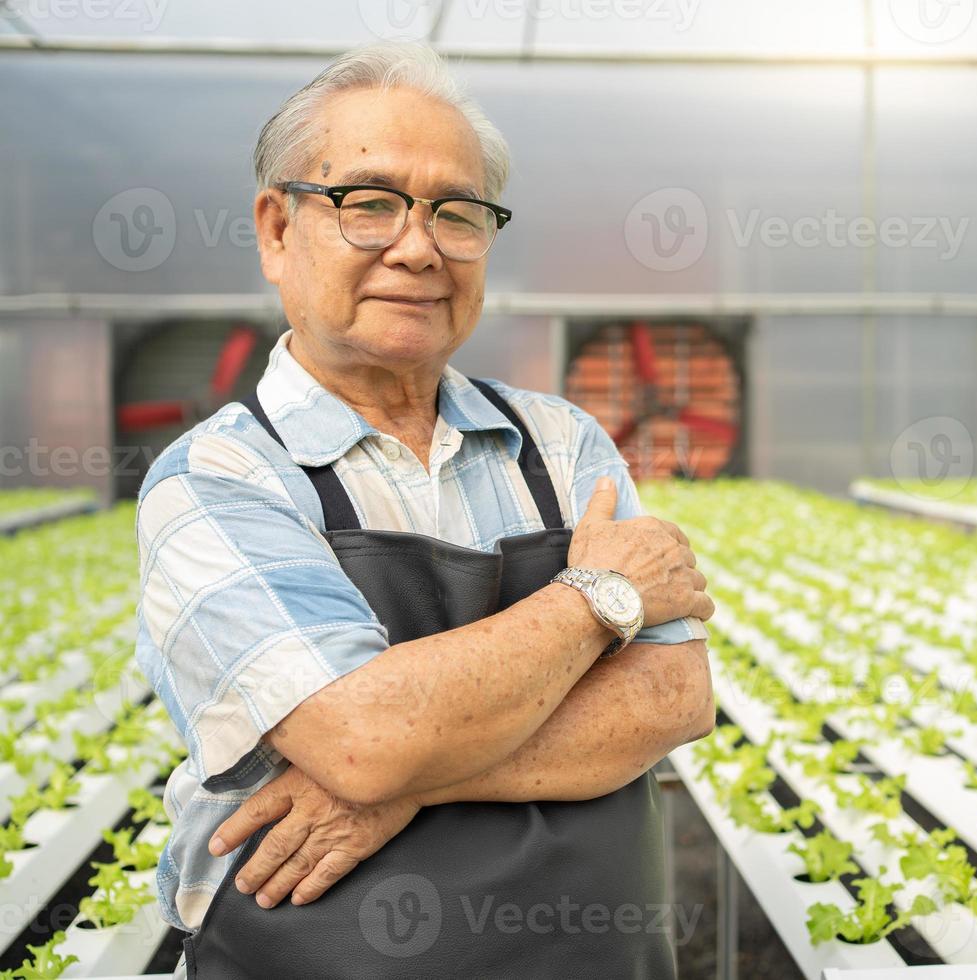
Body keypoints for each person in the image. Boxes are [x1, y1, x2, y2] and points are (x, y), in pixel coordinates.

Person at [134, 40, 715, 979]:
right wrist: (599, 596)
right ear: (277, 230)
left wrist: (405, 787)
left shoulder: (561, 445)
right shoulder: (216, 479)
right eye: (369, 204)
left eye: (458, 212)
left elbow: (670, 697)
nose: (419, 246)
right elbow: (362, 739)